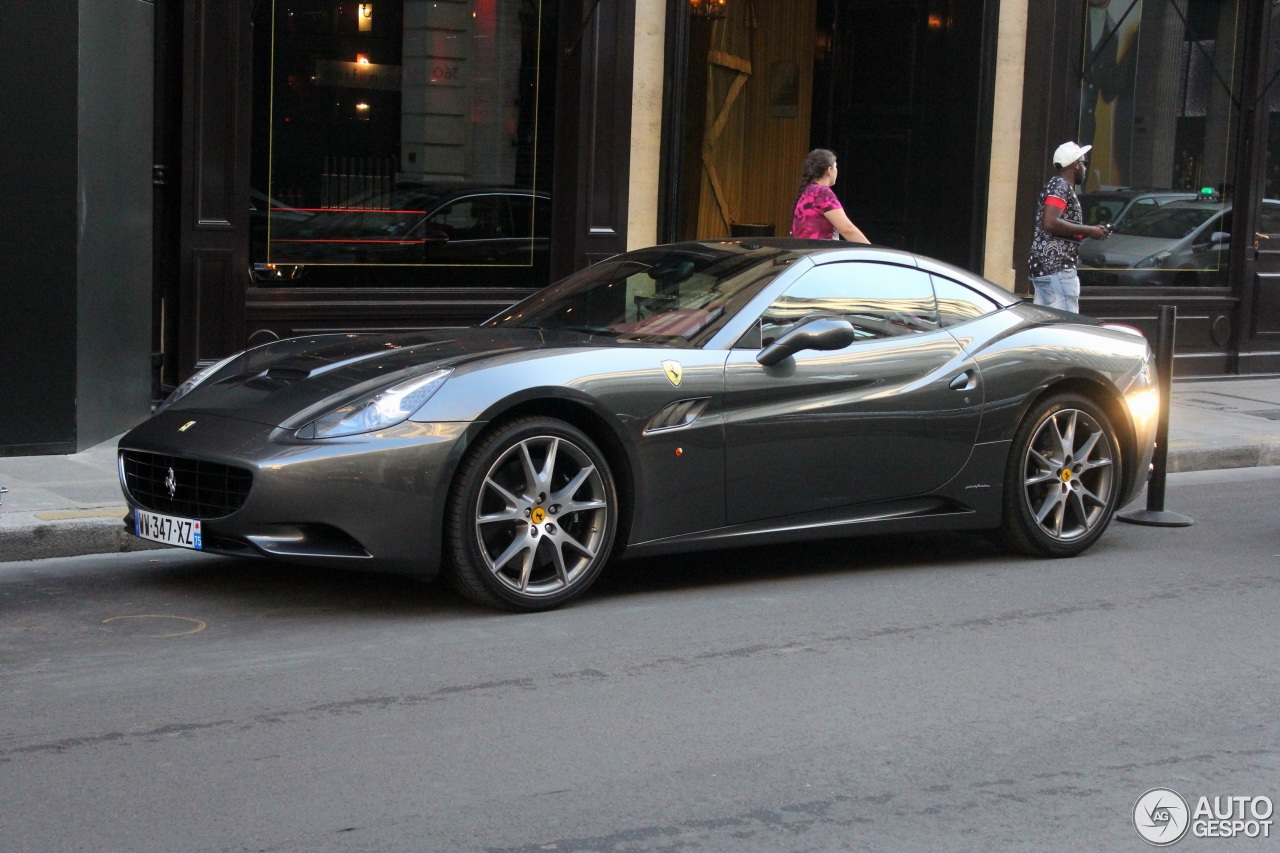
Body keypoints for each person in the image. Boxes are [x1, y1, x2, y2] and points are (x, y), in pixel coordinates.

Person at [1028, 141, 1110, 313]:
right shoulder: (1060, 186)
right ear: (1075, 165)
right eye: (1084, 163)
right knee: (1065, 330)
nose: (1085, 169)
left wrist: (1092, 231)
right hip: (1058, 271)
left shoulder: (1056, 185)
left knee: (1047, 332)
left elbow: (1058, 229)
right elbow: (1050, 222)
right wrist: (1089, 230)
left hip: (1047, 270)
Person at [790, 149, 870, 243]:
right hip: (820, 253)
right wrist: (872, 252)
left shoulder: (808, 191)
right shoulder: (822, 192)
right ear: (829, 170)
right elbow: (848, 230)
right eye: (835, 166)